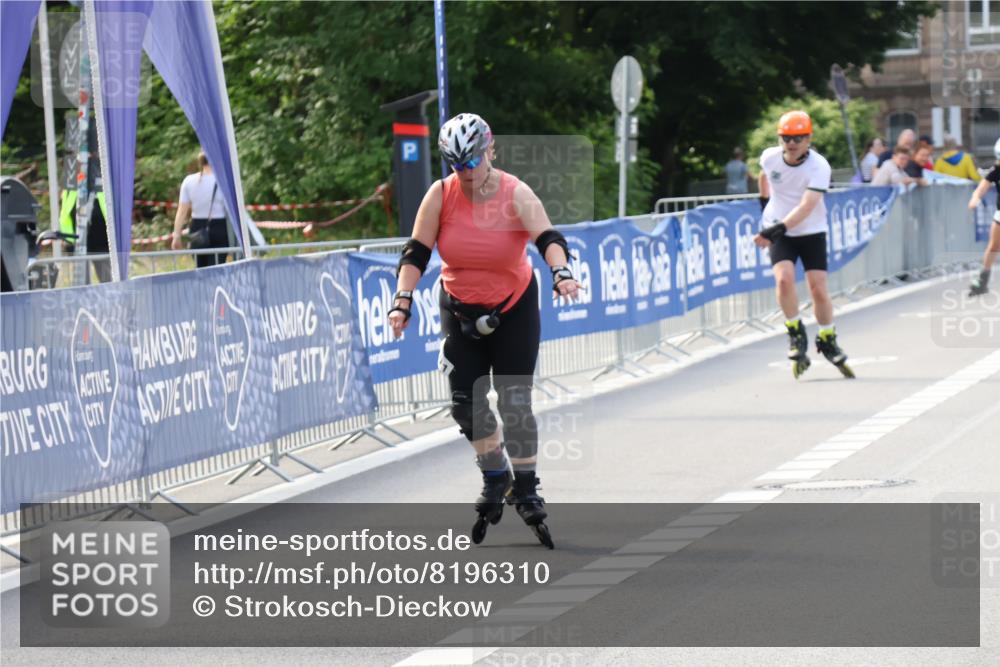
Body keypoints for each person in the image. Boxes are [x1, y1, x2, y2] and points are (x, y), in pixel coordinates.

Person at [388, 113, 581, 548]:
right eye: (458, 166)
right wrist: (402, 301)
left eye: (474, 162)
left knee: (514, 400)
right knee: (465, 405)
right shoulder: (440, 194)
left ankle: (527, 487)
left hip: (513, 308)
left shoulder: (516, 192)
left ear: (491, 149)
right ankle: (496, 476)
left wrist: (561, 272)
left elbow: (548, 236)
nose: (468, 173)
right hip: (459, 310)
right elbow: (416, 252)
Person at [755, 110, 854, 379]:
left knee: (818, 289)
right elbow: (764, 176)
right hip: (780, 230)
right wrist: (765, 205)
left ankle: (827, 336)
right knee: (784, 281)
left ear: (809, 138)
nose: (792, 143)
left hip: (810, 229)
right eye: (786, 138)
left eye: (798, 138)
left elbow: (808, 205)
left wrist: (777, 228)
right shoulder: (769, 157)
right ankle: (795, 332)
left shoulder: (819, 167)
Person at [171, 151, 231, 268]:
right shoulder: (223, 181)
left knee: (200, 270)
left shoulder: (188, 181)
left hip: (197, 228)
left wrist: (177, 235)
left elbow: (182, 211)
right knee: (217, 270)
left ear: (200, 162)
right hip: (219, 227)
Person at [966, 137, 1000, 296]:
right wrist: (975, 198)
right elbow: (982, 186)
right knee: (993, 246)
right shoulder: (996, 170)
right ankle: (983, 280)